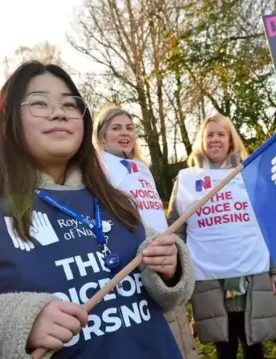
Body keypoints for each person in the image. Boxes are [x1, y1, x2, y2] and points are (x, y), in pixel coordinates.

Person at [0, 61, 195, 358]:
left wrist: (171, 268)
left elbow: (169, 290)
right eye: (39, 102)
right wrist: (16, 323)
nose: (59, 112)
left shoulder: (115, 200)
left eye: (70, 104)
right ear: (8, 119)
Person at [167, 114, 276, 359]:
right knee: (224, 346)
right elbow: (176, 230)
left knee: (254, 344)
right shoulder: (187, 180)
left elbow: (270, 224)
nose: (215, 139)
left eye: (221, 134)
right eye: (209, 134)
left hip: (249, 275)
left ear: (231, 141)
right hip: (209, 279)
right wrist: (180, 276)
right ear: (201, 141)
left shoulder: (250, 174)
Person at [94, 105, 198, 359]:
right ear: (101, 135)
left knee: (178, 328)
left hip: (164, 255)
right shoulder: (98, 166)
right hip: (134, 258)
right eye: (116, 128)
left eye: (129, 128)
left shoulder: (141, 167)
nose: (125, 133)